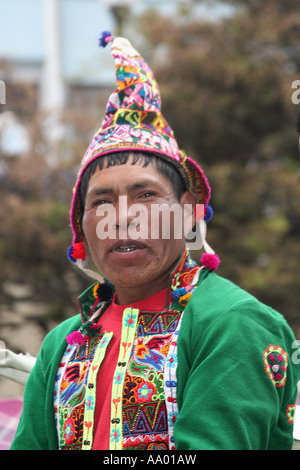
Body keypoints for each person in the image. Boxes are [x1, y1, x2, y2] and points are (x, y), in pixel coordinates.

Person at [11, 31, 300, 451]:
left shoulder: (231, 323)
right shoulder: (63, 343)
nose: (123, 218)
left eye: (146, 195)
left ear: (186, 211)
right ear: (82, 227)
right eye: (102, 202)